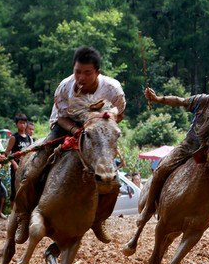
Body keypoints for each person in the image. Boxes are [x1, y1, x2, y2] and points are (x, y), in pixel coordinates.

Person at [124, 71, 209, 251]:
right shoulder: (202, 100)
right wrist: (157, 99)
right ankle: (148, 209)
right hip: (188, 147)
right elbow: (179, 101)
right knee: (161, 169)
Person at [13, 46, 125, 244]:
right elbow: (61, 117)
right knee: (32, 170)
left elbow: (118, 116)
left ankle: (99, 220)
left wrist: (99, 130)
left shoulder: (113, 89)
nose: (81, 77)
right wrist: (75, 131)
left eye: (87, 73)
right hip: (65, 127)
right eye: (77, 72)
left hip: (97, 131)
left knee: (112, 180)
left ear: (97, 72)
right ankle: (22, 215)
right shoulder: (65, 87)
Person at [4, 113, 32, 205]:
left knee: (26, 188)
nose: (22, 125)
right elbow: (7, 152)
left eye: (24, 123)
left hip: (27, 166)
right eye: (20, 123)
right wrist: (14, 163)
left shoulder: (29, 138)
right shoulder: (14, 137)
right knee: (15, 189)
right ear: (16, 124)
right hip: (17, 166)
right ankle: (13, 212)